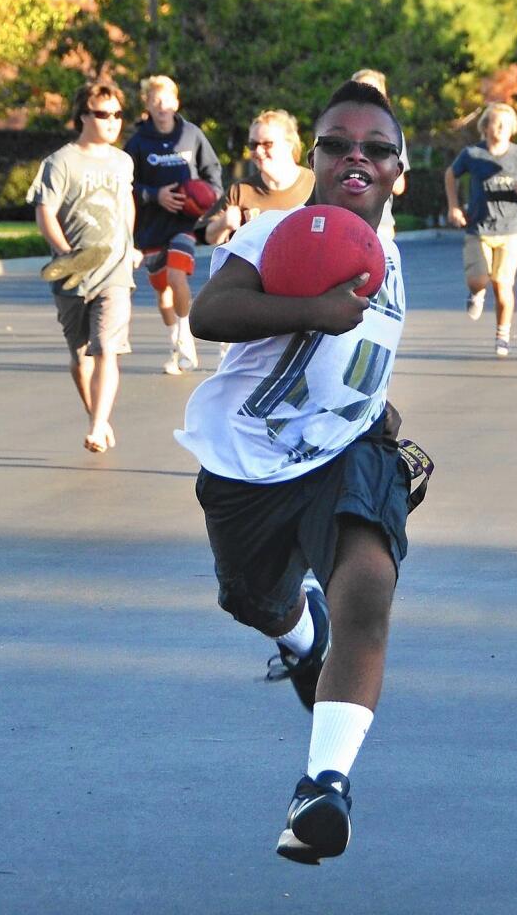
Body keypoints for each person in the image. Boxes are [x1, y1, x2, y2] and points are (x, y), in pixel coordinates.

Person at [175, 80, 419, 865]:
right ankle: (301, 634)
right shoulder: (274, 234)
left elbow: (365, 352)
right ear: (314, 157)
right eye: (338, 144)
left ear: (398, 170)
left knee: (371, 582)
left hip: (343, 455)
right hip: (246, 467)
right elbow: (210, 316)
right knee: (253, 599)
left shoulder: (391, 252)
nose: (357, 158)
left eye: (376, 148)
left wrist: (373, 410)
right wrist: (312, 309)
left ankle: (323, 786)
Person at [28, 80, 142, 453]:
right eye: (103, 114)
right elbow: (45, 212)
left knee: (107, 347)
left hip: (114, 271)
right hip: (73, 272)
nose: (112, 122)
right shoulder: (60, 162)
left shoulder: (122, 161)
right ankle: (99, 416)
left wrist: (129, 245)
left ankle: (96, 426)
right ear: (83, 116)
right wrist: (64, 253)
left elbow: (126, 204)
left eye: (118, 115)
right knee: (80, 356)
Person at [123, 75, 224, 375]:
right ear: (148, 106)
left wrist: (209, 198)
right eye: (155, 101)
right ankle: (174, 340)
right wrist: (155, 195)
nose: (162, 106)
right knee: (162, 291)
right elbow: (126, 183)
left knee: (177, 277)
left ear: (176, 102)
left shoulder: (191, 135)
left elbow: (212, 172)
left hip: (184, 224)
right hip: (151, 226)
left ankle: (185, 338)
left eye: (167, 99)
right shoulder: (139, 142)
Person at [444, 102, 517, 357]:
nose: (499, 129)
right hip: (479, 228)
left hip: (511, 230)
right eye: (494, 123)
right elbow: (450, 174)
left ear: (512, 129)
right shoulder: (472, 154)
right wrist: (454, 206)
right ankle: (476, 293)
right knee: (478, 279)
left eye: (504, 124)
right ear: (485, 127)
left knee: (502, 284)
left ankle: (503, 333)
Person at [204, 109, 315, 246]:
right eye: (253, 145)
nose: (258, 151)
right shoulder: (240, 191)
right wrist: (224, 223)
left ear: (289, 145)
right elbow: (207, 239)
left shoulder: (315, 183)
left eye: (267, 144)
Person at [351, 69, 408, 241]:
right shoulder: (335, 130)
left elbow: (399, 186)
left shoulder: (393, 133)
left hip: (380, 225)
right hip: (343, 223)